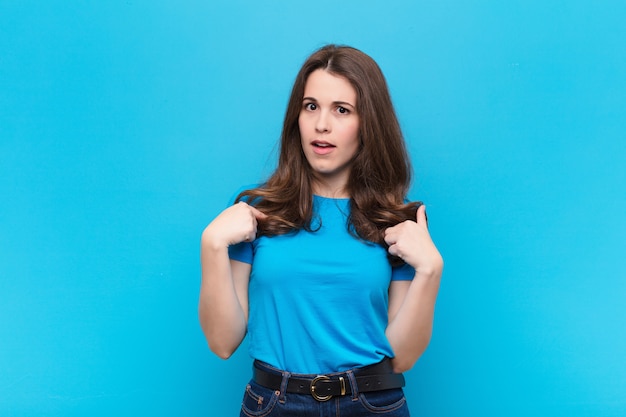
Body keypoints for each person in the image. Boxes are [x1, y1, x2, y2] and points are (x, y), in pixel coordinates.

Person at [199, 44, 443, 417]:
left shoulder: (396, 223)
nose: (321, 124)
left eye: (341, 110)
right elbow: (223, 342)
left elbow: (403, 356)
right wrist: (212, 244)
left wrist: (430, 270)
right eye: (311, 106)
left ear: (368, 123)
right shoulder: (259, 215)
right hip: (274, 404)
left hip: (372, 403)